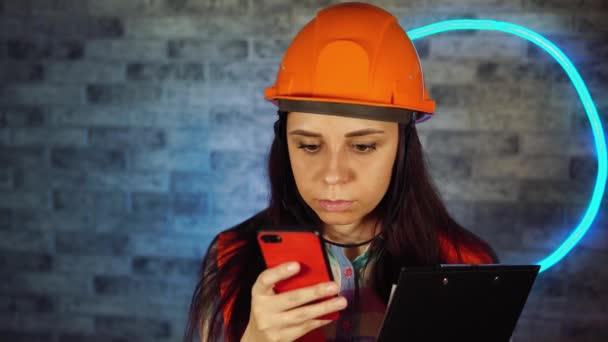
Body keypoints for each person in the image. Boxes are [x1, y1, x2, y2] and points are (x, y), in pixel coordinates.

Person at [184, 2, 498, 342]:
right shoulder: (232, 257)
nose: (332, 176)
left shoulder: (467, 264)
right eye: (309, 146)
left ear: (404, 150)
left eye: (362, 147)